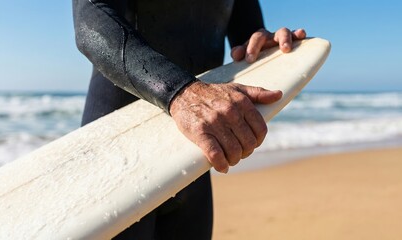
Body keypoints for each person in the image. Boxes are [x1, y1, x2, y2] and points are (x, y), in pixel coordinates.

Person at [73, 0, 306, 239]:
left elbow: (246, 35)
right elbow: (92, 22)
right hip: (118, 153)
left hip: (193, 153)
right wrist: (181, 92)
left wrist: (262, 44)